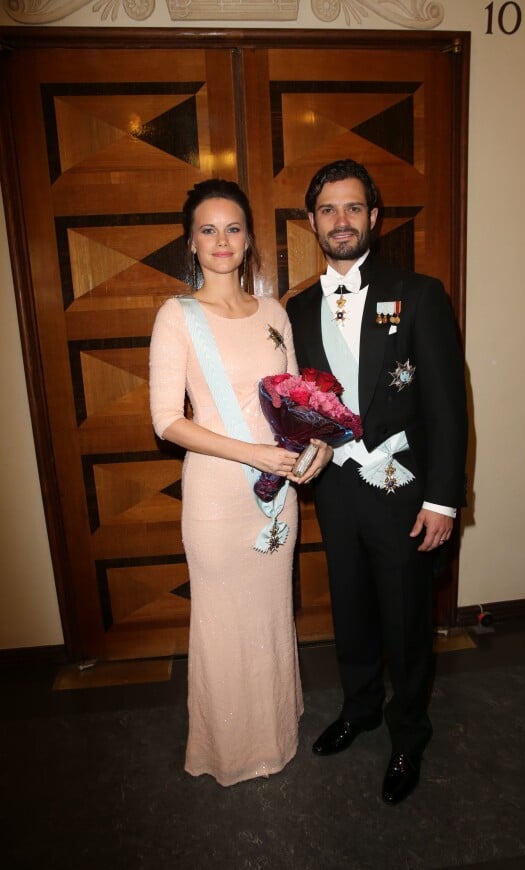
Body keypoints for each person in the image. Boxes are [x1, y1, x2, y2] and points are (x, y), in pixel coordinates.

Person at [286, 159, 468, 804]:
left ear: (374, 218)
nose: (342, 221)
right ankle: (360, 709)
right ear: (312, 221)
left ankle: (408, 733)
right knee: (352, 608)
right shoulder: (297, 308)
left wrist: (444, 499)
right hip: (335, 487)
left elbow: (448, 405)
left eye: (354, 208)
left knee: (407, 617)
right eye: (329, 210)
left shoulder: (418, 293)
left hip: (404, 489)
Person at [149, 179, 331, 787]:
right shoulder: (177, 316)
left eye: (232, 228)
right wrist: (251, 452)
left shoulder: (274, 313)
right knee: (224, 621)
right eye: (208, 229)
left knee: (271, 614)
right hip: (217, 497)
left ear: (249, 240)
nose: (221, 240)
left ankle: (275, 730)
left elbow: (294, 404)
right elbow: (167, 421)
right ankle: (229, 746)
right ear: (192, 243)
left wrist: (314, 450)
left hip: (276, 492)